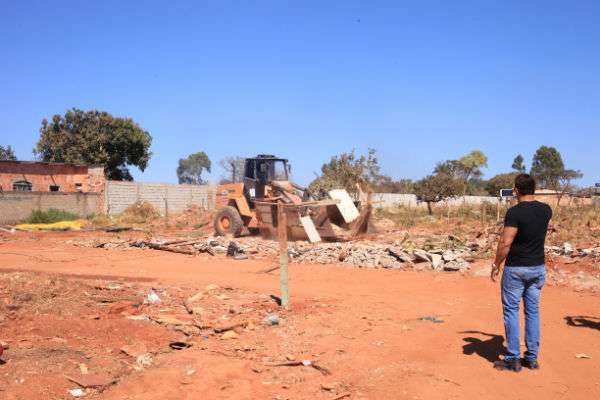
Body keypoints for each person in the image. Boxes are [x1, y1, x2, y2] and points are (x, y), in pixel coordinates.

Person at [491, 174, 552, 372]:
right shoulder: (546, 210)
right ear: (533, 189)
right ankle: (532, 358)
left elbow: (506, 242)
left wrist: (496, 264)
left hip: (516, 268)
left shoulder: (514, 212)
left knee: (511, 311)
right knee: (532, 312)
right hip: (537, 268)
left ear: (516, 190)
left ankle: (513, 358)